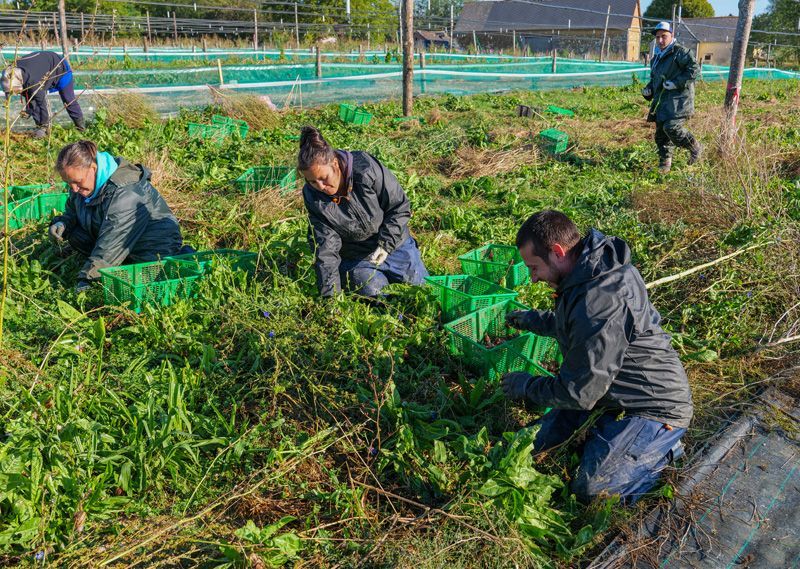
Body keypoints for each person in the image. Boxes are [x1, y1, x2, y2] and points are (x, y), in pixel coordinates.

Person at [501, 210, 693, 504]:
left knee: (594, 490)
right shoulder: (589, 271)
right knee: (528, 446)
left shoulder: (599, 302)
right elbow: (576, 327)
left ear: (557, 252)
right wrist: (533, 320)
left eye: (534, 267)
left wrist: (527, 386)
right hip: (607, 387)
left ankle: (665, 450)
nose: (532, 277)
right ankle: (608, 430)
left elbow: (578, 392)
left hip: (656, 406)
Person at [298, 126, 428, 298]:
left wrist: (386, 244)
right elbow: (325, 248)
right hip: (357, 257)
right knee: (374, 294)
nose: (321, 187)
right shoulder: (314, 197)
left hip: (395, 244)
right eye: (313, 182)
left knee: (421, 291)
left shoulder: (366, 169)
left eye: (324, 178)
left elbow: (399, 207)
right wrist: (330, 298)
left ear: (335, 163)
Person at [49, 140, 187, 292]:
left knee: (148, 278)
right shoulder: (83, 186)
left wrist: (86, 279)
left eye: (77, 182)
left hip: (152, 246)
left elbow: (112, 242)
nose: (74, 188)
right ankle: (110, 268)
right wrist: (63, 222)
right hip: (118, 243)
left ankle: (181, 258)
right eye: (68, 183)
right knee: (75, 233)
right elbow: (73, 211)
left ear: (93, 169)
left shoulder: (126, 192)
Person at [641, 22, 701, 173]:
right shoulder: (656, 58)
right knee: (661, 136)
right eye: (658, 37)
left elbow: (694, 71)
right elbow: (655, 80)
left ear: (672, 36)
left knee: (672, 128)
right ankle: (665, 165)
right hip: (663, 103)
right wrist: (648, 90)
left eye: (664, 36)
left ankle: (695, 147)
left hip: (680, 101)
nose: (660, 40)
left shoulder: (680, 52)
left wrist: (676, 83)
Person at [1, 51, 85, 138]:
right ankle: (40, 129)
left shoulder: (33, 82)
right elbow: (28, 94)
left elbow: (41, 104)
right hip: (42, 68)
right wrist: (28, 109)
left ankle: (81, 128)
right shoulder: (11, 72)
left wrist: (44, 125)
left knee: (68, 100)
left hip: (59, 67)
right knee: (33, 99)